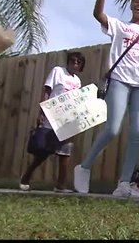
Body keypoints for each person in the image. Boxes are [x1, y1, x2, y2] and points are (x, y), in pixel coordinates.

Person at [73, 0, 139, 198]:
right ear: (132, 7)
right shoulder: (120, 27)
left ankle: (124, 183)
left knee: (137, 134)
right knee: (112, 128)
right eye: (137, 2)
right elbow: (97, 14)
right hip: (120, 81)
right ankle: (83, 167)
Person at [20, 52, 85, 192]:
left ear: (81, 66)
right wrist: (41, 112)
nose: (75, 63)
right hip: (52, 117)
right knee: (44, 152)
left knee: (65, 151)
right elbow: (47, 91)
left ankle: (60, 185)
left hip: (68, 120)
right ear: (68, 62)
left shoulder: (78, 81)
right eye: (73, 60)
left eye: (78, 62)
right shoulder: (58, 71)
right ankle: (26, 177)